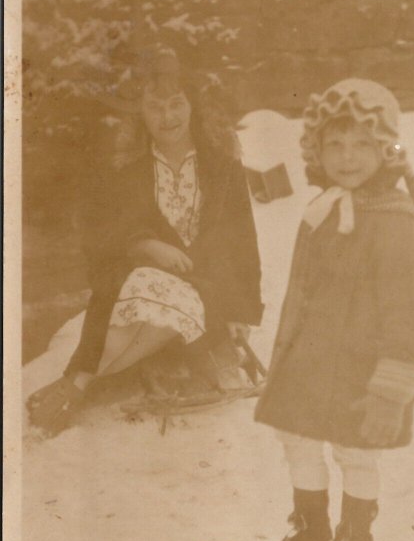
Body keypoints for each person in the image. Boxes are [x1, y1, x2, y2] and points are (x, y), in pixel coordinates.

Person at [255, 78, 414, 541]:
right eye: (334, 144)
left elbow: (403, 315)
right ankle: (311, 525)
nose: (346, 157)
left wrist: (390, 392)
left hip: (362, 367)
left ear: (387, 149)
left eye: (362, 144)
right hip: (313, 359)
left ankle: (357, 536)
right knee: (298, 439)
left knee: (354, 449)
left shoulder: (398, 223)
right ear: (316, 149)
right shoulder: (325, 208)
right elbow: (302, 292)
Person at [28, 50, 264, 436]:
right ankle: (80, 381)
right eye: (155, 107)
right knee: (139, 294)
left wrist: (243, 309)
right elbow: (101, 235)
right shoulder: (126, 167)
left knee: (175, 304)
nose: (168, 118)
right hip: (140, 281)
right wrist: (144, 246)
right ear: (141, 111)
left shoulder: (221, 165)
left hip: (205, 287)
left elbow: (243, 238)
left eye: (176, 104)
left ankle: (78, 383)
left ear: (192, 104)